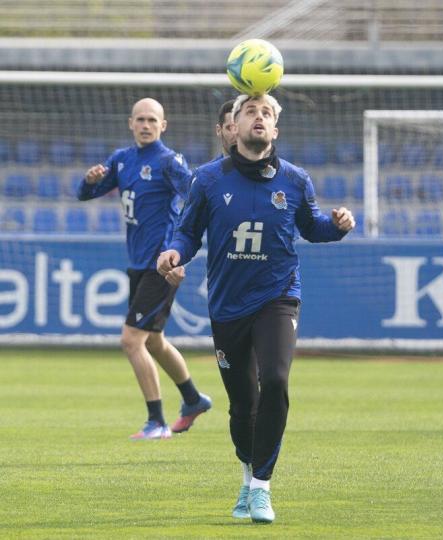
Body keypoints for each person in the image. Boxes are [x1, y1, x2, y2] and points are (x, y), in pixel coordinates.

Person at [157, 93, 355, 523]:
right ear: (235, 126)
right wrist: (174, 253)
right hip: (228, 305)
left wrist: (337, 227)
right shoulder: (208, 179)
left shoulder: (296, 179)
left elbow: (312, 227)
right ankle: (247, 473)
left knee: (277, 381)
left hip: (278, 296)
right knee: (242, 405)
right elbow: (187, 232)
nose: (259, 117)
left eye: (267, 113)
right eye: (251, 111)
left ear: (275, 129)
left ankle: (262, 486)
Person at [77, 97, 212, 440]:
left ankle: (157, 422)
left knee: (130, 340)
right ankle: (193, 399)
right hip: (137, 263)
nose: (146, 124)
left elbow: (196, 200)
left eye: (153, 119)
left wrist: (179, 252)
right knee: (153, 341)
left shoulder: (169, 162)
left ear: (163, 125)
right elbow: (85, 194)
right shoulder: (122, 160)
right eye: (141, 119)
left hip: (160, 264)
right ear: (130, 123)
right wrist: (89, 181)